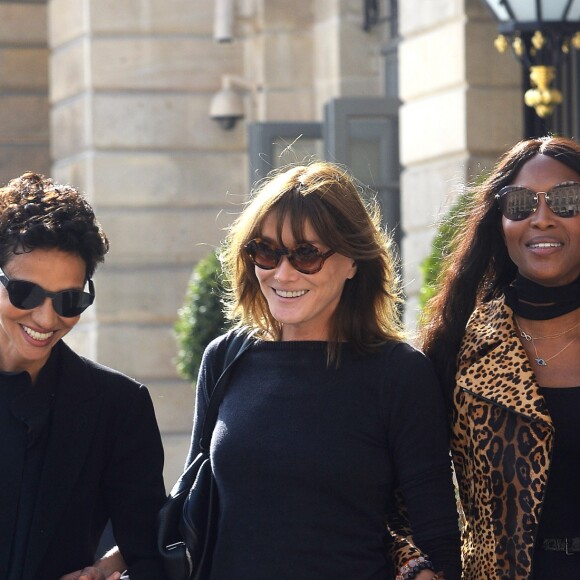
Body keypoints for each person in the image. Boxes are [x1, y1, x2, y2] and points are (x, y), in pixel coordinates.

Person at [185, 161, 461, 579]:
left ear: (353, 261)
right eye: (266, 251)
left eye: (307, 255)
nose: (282, 273)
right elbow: (193, 503)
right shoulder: (225, 358)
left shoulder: (398, 373)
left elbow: (437, 534)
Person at [419, 136, 580, 579]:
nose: (542, 219)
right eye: (521, 204)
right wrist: (418, 569)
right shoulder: (456, 348)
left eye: (566, 201)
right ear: (500, 221)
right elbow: (399, 491)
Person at [0, 172, 167, 580]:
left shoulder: (119, 406)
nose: (45, 317)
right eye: (25, 293)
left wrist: (106, 573)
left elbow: (150, 554)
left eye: (69, 300)